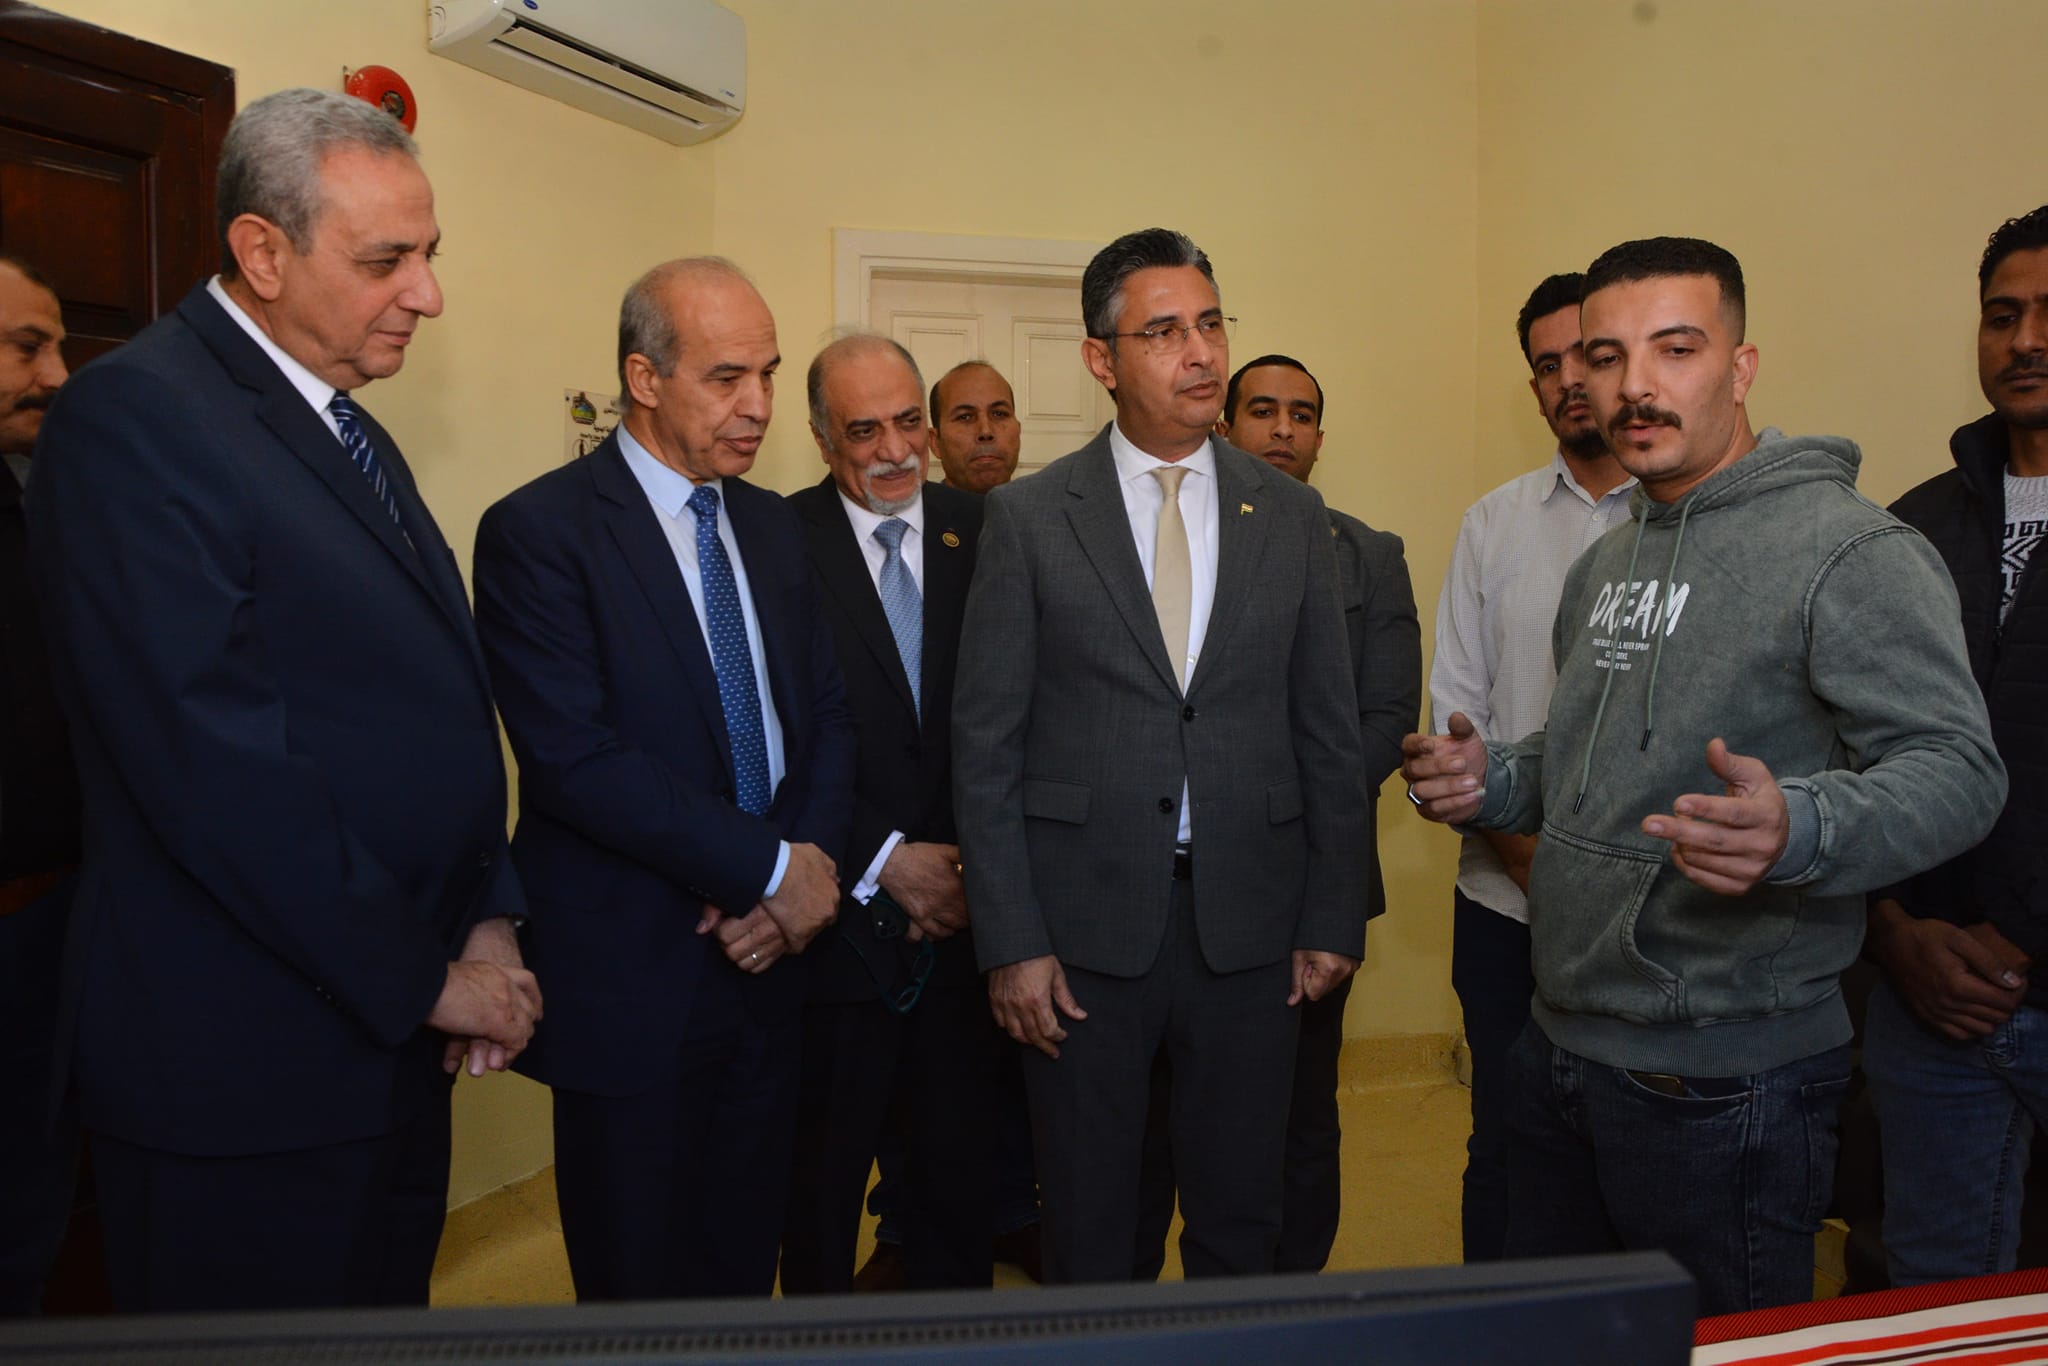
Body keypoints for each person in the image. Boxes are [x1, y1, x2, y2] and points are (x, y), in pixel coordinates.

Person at [1401, 235, 2005, 1315]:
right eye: (1605, 356)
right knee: (1564, 1340)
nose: (1633, 385)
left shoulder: (1847, 551)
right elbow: (1581, 763)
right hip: (1560, 1040)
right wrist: (1489, 779)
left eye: (1674, 349)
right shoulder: (1608, 559)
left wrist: (1800, 829)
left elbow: (1958, 770)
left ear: (1739, 367)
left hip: (1726, 1076)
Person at [25, 88, 539, 1313]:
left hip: (385, 1044)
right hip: (246, 1071)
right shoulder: (137, 417)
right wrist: (424, 978)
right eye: (385, 261)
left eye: (428, 254)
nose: (427, 294)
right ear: (261, 252)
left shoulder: (346, 425)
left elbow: (427, 707)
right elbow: (216, 767)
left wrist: (487, 918)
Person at [954, 227, 1367, 1283]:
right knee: (1093, 1224)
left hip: (1252, 931)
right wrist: (1010, 941)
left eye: (1211, 324)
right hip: (1081, 936)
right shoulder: (1031, 518)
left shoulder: (1291, 514)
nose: (1201, 352)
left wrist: (1331, 913)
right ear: (1102, 358)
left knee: (1240, 1217)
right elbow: (985, 746)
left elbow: (1327, 730)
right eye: (1166, 331)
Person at [472, 257, 854, 1301]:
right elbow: (576, 761)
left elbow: (823, 717)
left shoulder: (772, 525)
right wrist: (767, 869)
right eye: (727, 377)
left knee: (740, 1270)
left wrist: (800, 879)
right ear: (643, 378)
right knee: (636, 1290)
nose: (759, 405)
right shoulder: (539, 531)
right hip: (633, 980)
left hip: (772, 972)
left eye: (768, 373)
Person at [1139, 352, 1418, 1273]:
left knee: (1296, 1110)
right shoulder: (1168, 530)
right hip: (1158, 880)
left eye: (1302, 414)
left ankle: (1291, 1294)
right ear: (1225, 423)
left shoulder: (1368, 554)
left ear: (1321, 437)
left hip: (1305, 881)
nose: (1283, 429)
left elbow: (1382, 720)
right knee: (1155, 1114)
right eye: (1263, 410)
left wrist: (1269, 807)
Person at [779, 335, 995, 1293]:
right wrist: (886, 858)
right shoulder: (775, 540)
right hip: (836, 926)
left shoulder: (989, 530)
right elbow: (771, 735)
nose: (897, 450)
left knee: (960, 1180)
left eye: (911, 421)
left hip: (968, 923)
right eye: (864, 431)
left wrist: (970, 869)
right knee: (819, 1190)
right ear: (823, 438)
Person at [1428, 274, 1635, 1262]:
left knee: (1632, 1159)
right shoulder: (1492, 524)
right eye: (1546, 365)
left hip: (1651, 919)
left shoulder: (1684, 516)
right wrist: (1536, 870)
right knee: (1507, 1144)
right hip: (1503, 910)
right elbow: (1456, 724)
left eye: (1585, 356)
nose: (1568, 380)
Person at [1865, 205, 2048, 1285]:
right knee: (1935, 1298)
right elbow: (1852, 753)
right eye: (2000, 314)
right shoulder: (1911, 527)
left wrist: (2020, 935)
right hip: (1927, 999)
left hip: (2017, 969)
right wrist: (1893, 932)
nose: (2024, 339)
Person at [0, 253, 81, 1316]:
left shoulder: (48, 503)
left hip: (47, 929)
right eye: (28, 347)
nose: (59, 375)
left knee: (25, 1230)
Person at [929, 360, 1022, 494]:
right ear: (935, 443)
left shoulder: (1047, 506)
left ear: (1018, 432)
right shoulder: (915, 508)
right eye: (965, 417)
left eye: (999, 414)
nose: (986, 431)